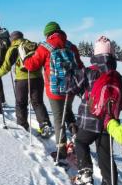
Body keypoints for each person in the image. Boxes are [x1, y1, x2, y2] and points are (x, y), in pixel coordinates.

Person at [70, 36, 122, 185]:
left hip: (89, 121)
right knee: (106, 157)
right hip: (109, 123)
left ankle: (86, 172)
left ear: (96, 53)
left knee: (81, 142)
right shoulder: (118, 76)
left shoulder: (89, 71)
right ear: (111, 54)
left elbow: (73, 88)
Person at [22, 21, 84, 160]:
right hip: (71, 89)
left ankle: (61, 149)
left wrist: (25, 59)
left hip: (54, 89)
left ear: (48, 34)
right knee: (68, 112)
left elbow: (32, 65)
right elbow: (80, 66)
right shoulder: (71, 46)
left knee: (58, 118)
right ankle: (75, 135)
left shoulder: (45, 47)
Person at [0, 31, 53, 136]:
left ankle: (22, 126)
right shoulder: (34, 45)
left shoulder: (13, 48)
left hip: (22, 80)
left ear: (13, 39)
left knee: (21, 103)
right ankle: (45, 125)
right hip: (38, 78)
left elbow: (6, 66)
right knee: (38, 102)